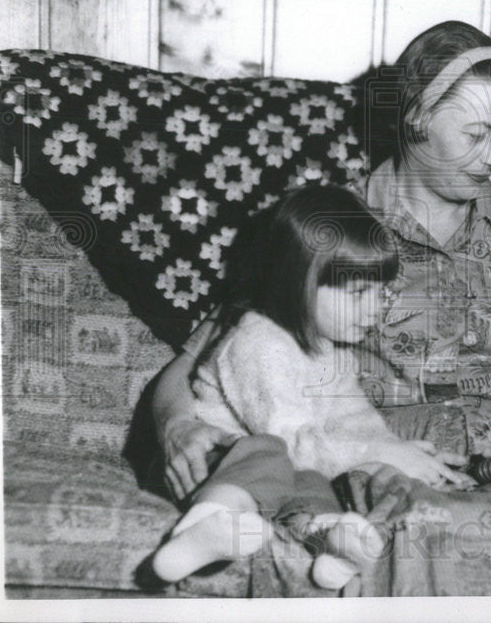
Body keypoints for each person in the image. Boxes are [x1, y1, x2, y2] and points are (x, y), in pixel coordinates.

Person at [150, 21, 491, 537]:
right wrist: (176, 427)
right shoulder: (333, 227)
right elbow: (207, 362)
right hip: (373, 464)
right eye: (476, 135)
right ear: (417, 117)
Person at [151, 185, 471, 585]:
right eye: (358, 293)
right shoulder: (259, 343)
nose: (375, 309)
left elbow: (355, 420)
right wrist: (374, 451)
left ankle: (329, 543)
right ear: (300, 282)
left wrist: (393, 451)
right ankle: (204, 528)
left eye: (380, 293)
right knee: (272, 454)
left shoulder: (333, 354)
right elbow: (290, 439)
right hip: (219, 462)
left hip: (279, 471)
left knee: (314, 484)